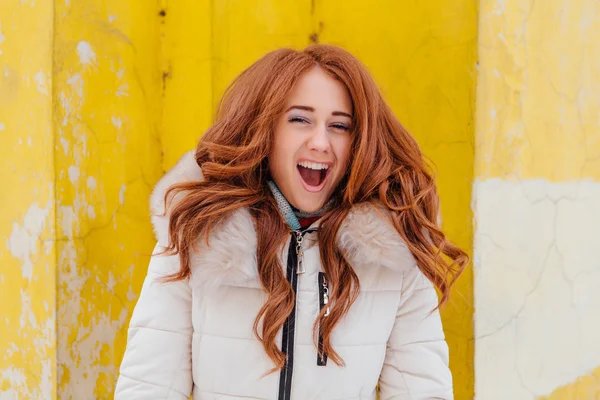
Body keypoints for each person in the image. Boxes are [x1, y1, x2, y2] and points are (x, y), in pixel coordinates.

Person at [114, 44, 468, 400]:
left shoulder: (393, 249)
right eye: (300, 119)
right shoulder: (198, 233)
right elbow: (148, 387)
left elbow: (422, 390)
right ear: (263, 128)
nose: (320, 141)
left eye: (340, 125)